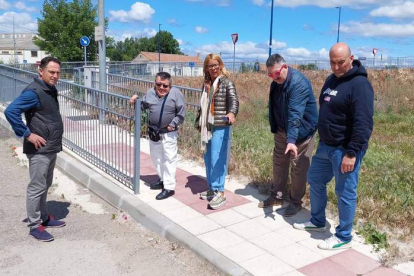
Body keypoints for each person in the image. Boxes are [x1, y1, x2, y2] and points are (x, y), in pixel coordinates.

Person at [293, 42, 374, 250]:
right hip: (326, 145)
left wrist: (352, 152)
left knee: (345, 191)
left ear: (351, 58)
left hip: (345, 149)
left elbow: (363, 123)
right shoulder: (331, 79)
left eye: (341, 62)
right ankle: (318, 221)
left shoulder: (360, 85)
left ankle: (344, 236)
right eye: (332, 62)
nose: (336, 67)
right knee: (315, 179)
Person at [5, 56, 66, 242]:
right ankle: (34, 225)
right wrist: (27, 134)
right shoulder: (34, 92)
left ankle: (44, 217)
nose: (55, 76)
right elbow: (11, 111)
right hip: (39, 149)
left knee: (45, 185)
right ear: (41, 71)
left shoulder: (49, 88)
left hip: (50, 146)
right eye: (51, 72)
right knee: (36, 187)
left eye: (57, 73)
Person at [258, 54, 318, 217]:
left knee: (298, 167)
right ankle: (277, 195)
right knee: (279, 163)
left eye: (276, 74)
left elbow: (295, 114)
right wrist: (277, 128)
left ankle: (295, 202)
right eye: (270, 75)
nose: (274, 77)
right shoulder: (276, 83)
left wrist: (291, 140)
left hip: (302, 132)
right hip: (282, 130)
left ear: (285, 67)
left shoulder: (298, 83)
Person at [130, 72, 185, 200]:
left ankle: (169, 187)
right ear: (155, 83)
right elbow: (142, 106)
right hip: (154, 132)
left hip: (169, 133)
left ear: (170, 85)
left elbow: (181, 112)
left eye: (165, 86)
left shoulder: (176, 93)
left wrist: (173, 124)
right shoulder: (150, 93)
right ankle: (162, 179)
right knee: (157, 158)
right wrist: (135, 101)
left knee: (169, 159)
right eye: (158, 84)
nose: (161, 88)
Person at [197, 54, 239, 210]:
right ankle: (212, 188)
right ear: (206, 68)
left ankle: (220, 192)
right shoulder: (207, 83)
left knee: (217, 159)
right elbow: (203, 105)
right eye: (210, 65)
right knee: (208, 159)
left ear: (221, 65)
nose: (213, 68)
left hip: (221, 125)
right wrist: (199, 121)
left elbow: (234, 101)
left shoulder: (227, 82)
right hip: (207, 126)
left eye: (215, 65)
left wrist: (232, 113)